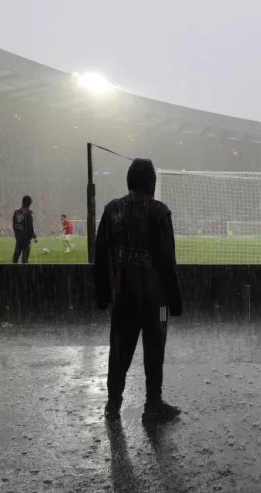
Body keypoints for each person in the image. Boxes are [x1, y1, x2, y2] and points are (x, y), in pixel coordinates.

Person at [94, 158, 183, 423]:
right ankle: (153, 404)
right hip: (158, 302)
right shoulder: (159, 212)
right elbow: (168, 261)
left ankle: (113, 405)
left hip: (124, 297)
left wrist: (103, 295)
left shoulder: (112, 210)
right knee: (156, 350)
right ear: (151, 182)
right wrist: (175, 302)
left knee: (119, 352)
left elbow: (100, 256)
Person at [12, 195, 37, 264]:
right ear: (29, 203)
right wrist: (33, 236)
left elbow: (14, 224)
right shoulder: (29, 212)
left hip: (18, 236)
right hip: (25, 237)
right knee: (25, 256)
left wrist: (16, 234)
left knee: (16, 254)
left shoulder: (16, 211)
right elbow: (30, 226)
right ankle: (25, 272)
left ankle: (13, 271)